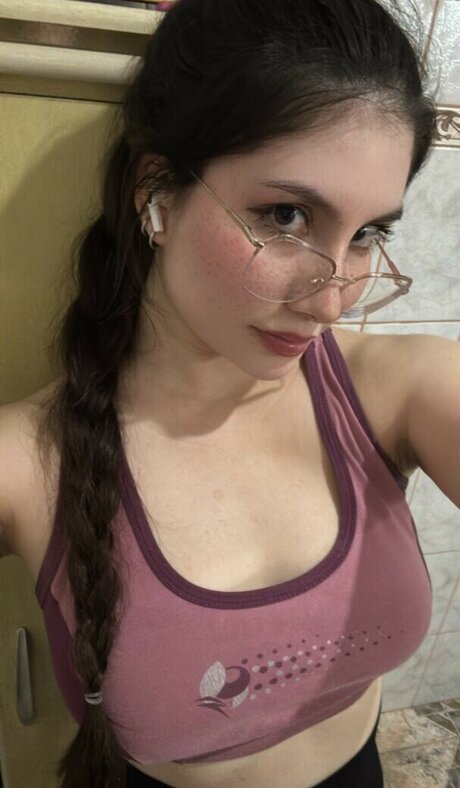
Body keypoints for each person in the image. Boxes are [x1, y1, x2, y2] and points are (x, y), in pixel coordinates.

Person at [0, 0, 459, 786]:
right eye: (286, 215)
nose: (332, 299)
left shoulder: (399, 388)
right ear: (156, 192)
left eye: (369, 234)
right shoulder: (26, 463)